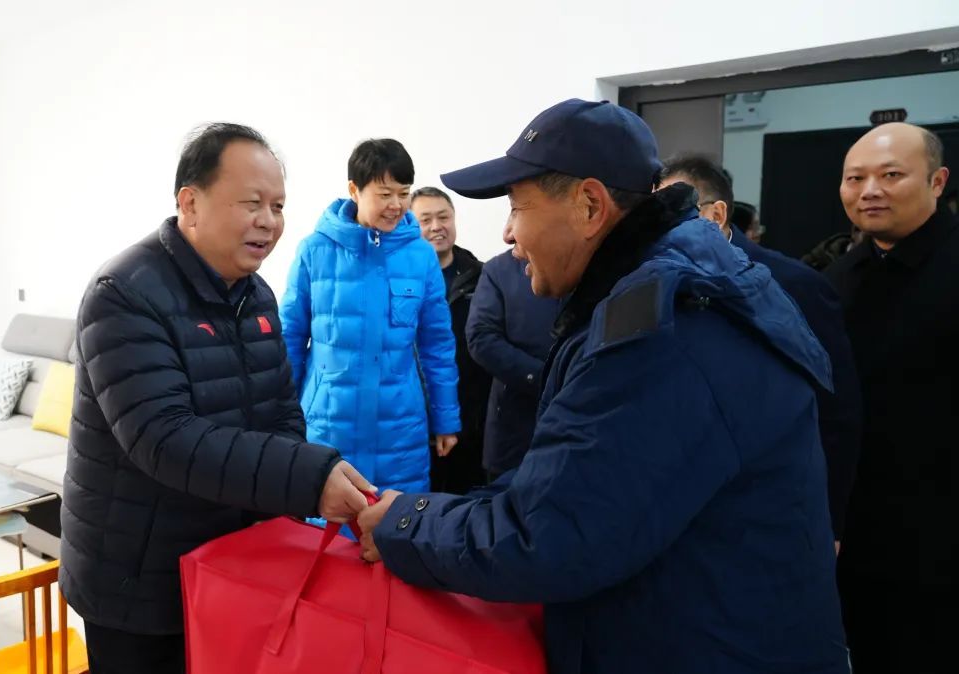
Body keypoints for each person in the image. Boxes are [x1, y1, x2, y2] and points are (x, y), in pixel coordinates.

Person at [357, 99, 848, 673]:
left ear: (590, 206)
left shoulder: (663, 334)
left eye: (516, 208)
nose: (509, 234)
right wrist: (440, 509)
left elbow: (548, 534)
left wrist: (406, 521)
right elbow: (574, 477)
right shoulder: (668, 290)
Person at [60, 124, 373, 673]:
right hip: (139, 582)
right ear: (190, 203)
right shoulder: (125, 293)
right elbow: (163, 438)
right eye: (252, 203)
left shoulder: (257, 296)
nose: (269, 221)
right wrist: (306, 477)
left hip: (231, 566)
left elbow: (282, 411)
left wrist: (302, 490)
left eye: (278, 206)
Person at [658, 154, 862, 549]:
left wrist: (831, 522)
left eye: (669, 215)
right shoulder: (657, 282)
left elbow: (836, 410)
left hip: (777, 503)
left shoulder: (794, 284)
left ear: (715, 214)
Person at [825, 122, 956, 674]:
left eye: (891, 175)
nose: (870, 191)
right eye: (855, 178)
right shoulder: (834, 279)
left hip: (940, 536)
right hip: (856, 533)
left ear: (937, 181)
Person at [280, 140, 461, 496]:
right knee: (323, 520)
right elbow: (290, 338)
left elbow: (437, 345)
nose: (396, 205)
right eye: (384, 194)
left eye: (404, 194)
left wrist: (446, 419)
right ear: (354, 190)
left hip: (399, 430)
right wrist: (283, 418)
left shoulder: (420, 256)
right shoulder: (314, 250)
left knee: (396, 520)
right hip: (327, 425)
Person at [411, 186, 490, 494]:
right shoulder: (402, 279)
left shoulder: (482, 277)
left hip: (472, 415)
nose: (436, 227)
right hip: (415, 416)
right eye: (425, 219)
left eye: (443, 217)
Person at [466, 249, 558, 481]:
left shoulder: (587, 263)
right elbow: (481, 337)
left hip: (578, 422)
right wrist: (544, 378)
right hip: (515, 426)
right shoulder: (499, 269)